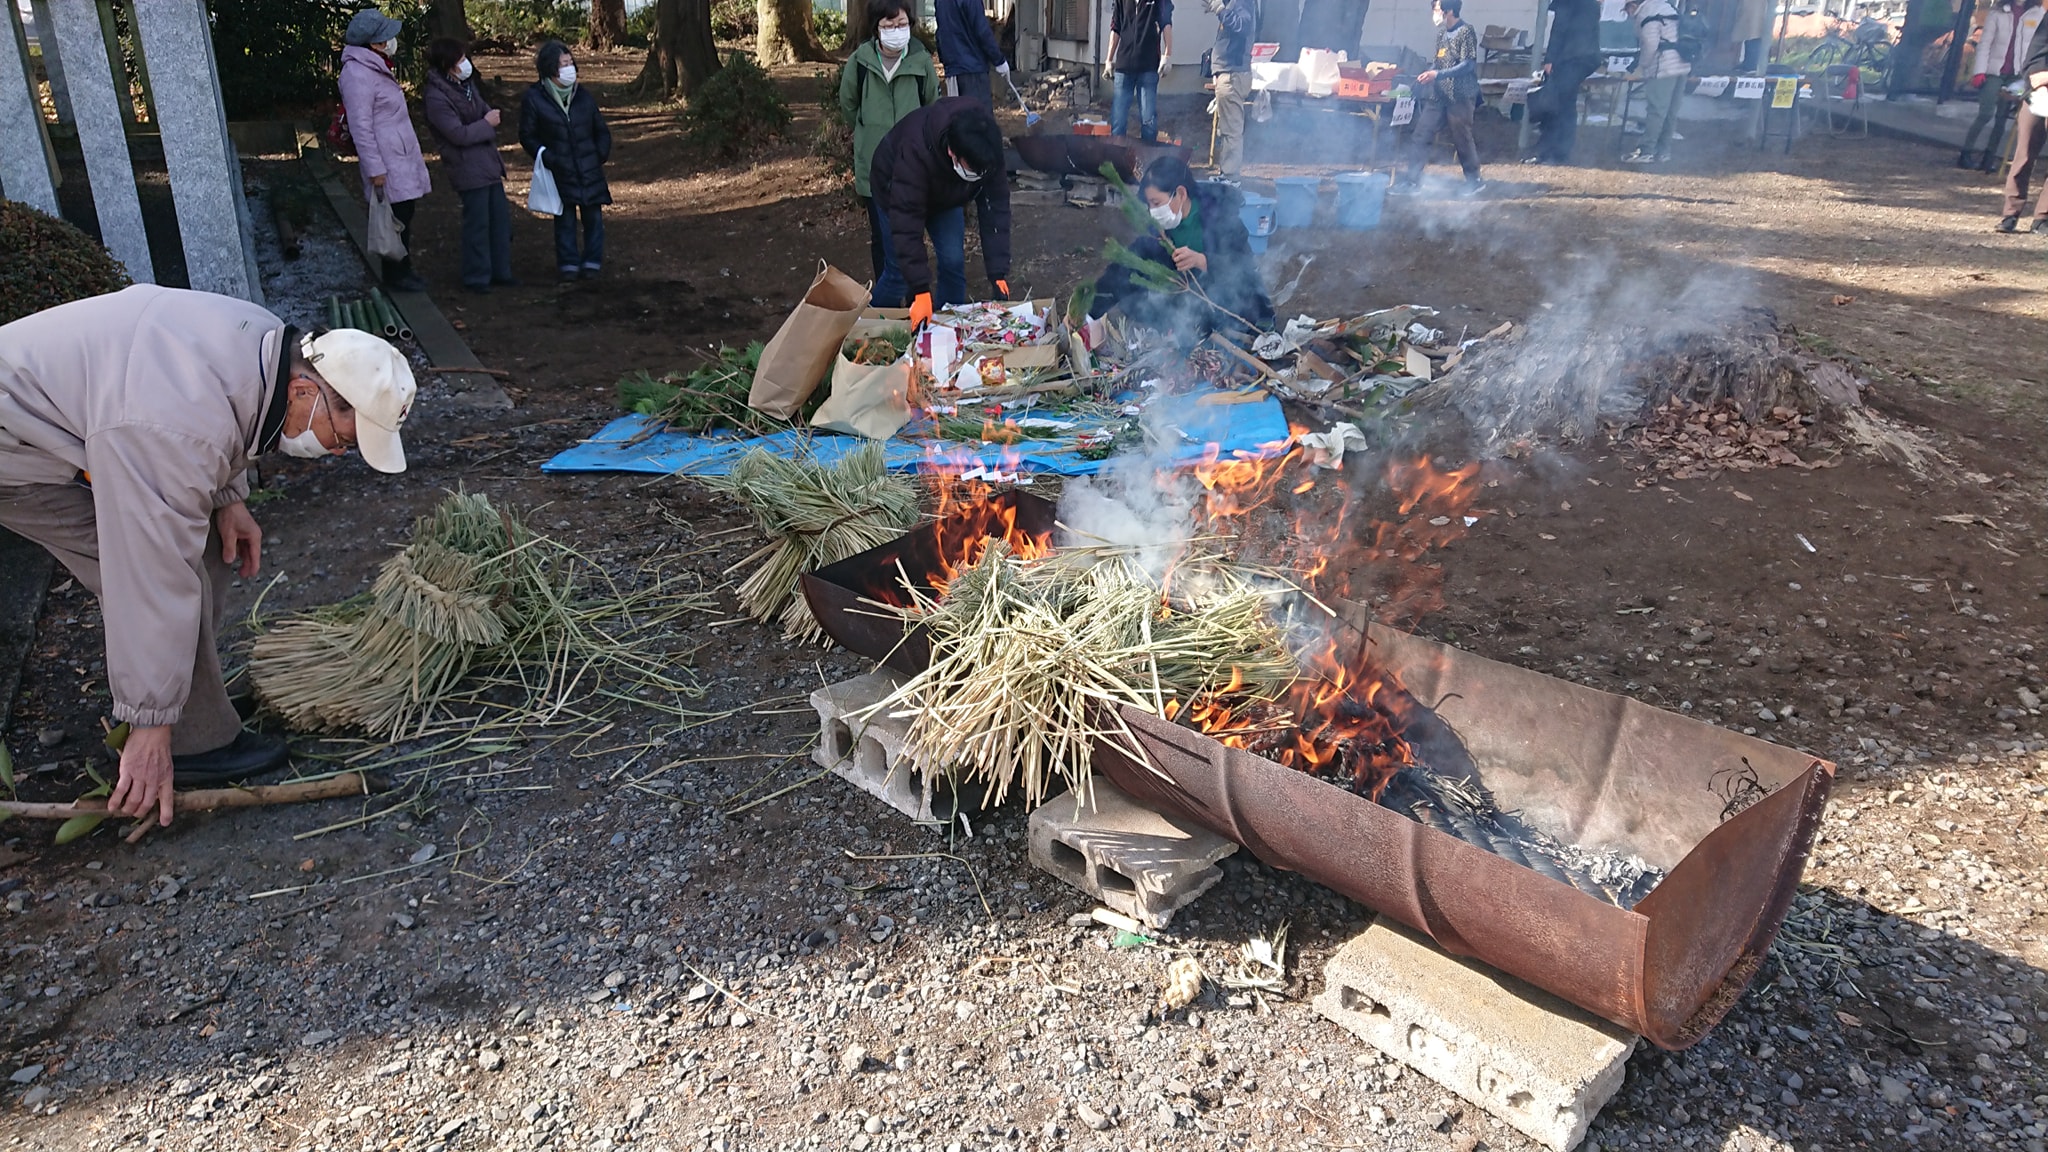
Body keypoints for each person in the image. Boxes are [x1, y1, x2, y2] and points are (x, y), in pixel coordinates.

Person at [0, 286, 417, 827]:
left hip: (99, 420)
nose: (336, 452)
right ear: (305, 392)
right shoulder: (173, 427)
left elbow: (228, 415)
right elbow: (150, 569)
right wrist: (150, 723)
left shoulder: (270, 340)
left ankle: (194, 712)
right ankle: (178, 742)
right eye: (342, 439)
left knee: (200, 552)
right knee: (143, 571)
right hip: (14, 450)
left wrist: (229, 497)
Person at [1088, 156, 1272, 342]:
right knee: (1133, 296)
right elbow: (1123, 268)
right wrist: (1087, 312)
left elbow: (1245, 269)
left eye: (1157, 203)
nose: (1152, 211)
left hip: (1231, 307)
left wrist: (1204, 261)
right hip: (1188, 310)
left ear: (1181, 194)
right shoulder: (1159, 232)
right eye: (1149, 205)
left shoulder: (1220, 218)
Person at [868, 97, 1011, 325]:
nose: (979, 176)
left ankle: (948, 330)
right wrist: (921, 290)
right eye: (973, 171)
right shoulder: (915, 150)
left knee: (953, 261)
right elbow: (906, 225)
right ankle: (866, 328)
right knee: (898, 274)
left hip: (946, 196)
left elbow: (996, 206)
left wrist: (998, 270)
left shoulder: (987, 146)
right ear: (952, 153)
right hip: (894, 189)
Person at [841, 0, 940, 286]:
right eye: (889, 26)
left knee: (910, 234)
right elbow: (848, 105)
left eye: (902, 25)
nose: (897, 31)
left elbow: (933, 106)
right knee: (881, 237)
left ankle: (913, 298)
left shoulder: (921, 61)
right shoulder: (859, 62)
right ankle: (886, 294)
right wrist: (868, 130)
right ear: (876, 28)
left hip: (913, 167)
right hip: (873, 164)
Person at [338, 9, 431, 292]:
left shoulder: (375, 66)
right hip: (386, 161)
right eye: (387, 37)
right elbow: (361, 126)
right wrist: (375, 169)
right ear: (374, 44)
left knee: (403, 216)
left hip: (399, 156)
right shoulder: (357, 74)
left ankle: (405, 269)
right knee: (394, 220)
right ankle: (395, 276)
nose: (393, 40)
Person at [423, 37, 516, 294]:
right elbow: (457, 134)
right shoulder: (436, 97)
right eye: (460, 60)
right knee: (477, 224)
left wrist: (485, 122)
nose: (466, 64)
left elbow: (485, 112)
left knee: (499, 221)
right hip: (465, 166)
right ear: (448, 65)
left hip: (487, 164)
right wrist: (486, 125)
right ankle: (477, 276)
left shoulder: (466, 85)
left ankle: (501, 271)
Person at [519, 41, 612, 281]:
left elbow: (600, 129)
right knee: (565, 219)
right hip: (560, 169)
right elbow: (527, 135)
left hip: (589, 168)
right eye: (564, 64)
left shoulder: (583, 95)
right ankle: (568, 264)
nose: (569, 68)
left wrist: (600, 153)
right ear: (551, 68)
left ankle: (592, 261)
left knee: (594, 218)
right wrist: (548, 157)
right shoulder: (535, 98)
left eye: (571, 63)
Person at [1391, 0, 1483, 197]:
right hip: (1439, 94)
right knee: (1421, 133)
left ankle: (1474, 180)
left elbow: (1468, 65)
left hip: (1461, 95)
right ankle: (1412, 181)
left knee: (1461, 137)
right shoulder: (1442, 34)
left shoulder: (1466, 31)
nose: (1434, 12)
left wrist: (1438, 75)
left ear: (1449, 10)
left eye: (1436, 8)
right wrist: (1429, 73)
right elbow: (1438, 62)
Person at [1962, 0, 2043, 170]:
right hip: (1994, 71)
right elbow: (1985, 44)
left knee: (2002, 119)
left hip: (2017, 74)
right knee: (1985, 113)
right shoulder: (1997, 12)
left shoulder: (2037, 13)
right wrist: (1979, 71)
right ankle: (1966, 152)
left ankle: (1989, 157)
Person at [1526, 0, 1601, 165]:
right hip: (1586, 58)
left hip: (1570, 58)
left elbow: (1559, 30)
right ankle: (1557, 151)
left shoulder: (1568, 3)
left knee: (1557, 105)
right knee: (1566, 105)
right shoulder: (1592, 5)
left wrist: (1550, 59)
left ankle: (1552, 152)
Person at [1998, 12, 2048, 231]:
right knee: (2024, 155)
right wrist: (2041, 81)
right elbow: (2033, 60)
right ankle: (2010, 214)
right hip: (2039, 94)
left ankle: (2042, 218)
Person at [1623, 0, 1689, 165]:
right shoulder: (1667, 8)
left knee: (1657, 111)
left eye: (1627, 10)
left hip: (1663, 67)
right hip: (1683, 64)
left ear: (1633, 6)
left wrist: (1642, 65)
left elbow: (1651, 45)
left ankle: (1647, 150)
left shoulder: (1648, 14)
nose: (1629, 16)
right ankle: (1664, 151)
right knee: (1671, 112)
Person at [1105, 0, 1174, 144]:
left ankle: (1147, 159)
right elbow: (1116, 27)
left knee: (1148, 119)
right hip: (1123, 67)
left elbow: (1166, 23)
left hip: (1148, 66)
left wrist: (1167, 54)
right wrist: (1109, 59)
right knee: (1118, 118)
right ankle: (1117, 160)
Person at [1205, 0, 1256, 177]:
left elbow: (1242, 26)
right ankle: (1227, 174)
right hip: (1228, 74)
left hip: (1232, 74)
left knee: (1231, 130)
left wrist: (1221, 10)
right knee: (1227, 129)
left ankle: (1230, 177)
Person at [936, 0, 1008, 109]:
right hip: (973, 70)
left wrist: (945, 60)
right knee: (979, 121)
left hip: (953, 71)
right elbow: (982, 31)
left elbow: (941, 33)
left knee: (958, 118)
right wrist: (999, 60)